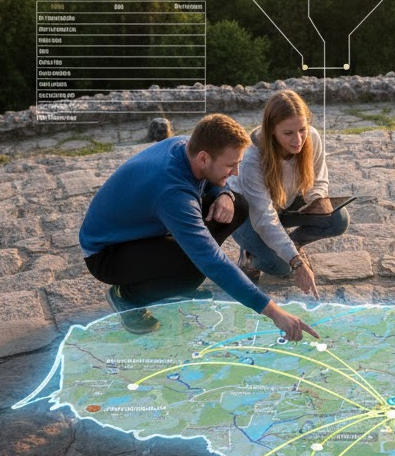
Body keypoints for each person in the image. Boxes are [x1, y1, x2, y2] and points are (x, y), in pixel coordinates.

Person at [79, 113, 318, 342]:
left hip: (143, 231)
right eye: (230, 165)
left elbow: (212, 184)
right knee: (194, 270)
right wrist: (276, 313)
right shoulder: (173, 193)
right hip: (108, 254)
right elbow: (213, 261)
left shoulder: (185, 146)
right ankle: (127, 297)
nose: (235, 172)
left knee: (238, 204)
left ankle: (170, 274)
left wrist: (224, 192)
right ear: (204, 158)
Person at [229, 91, 349, 298]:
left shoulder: (311, 137)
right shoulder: (251, 158)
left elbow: (318, 179)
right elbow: (264, 218)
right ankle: (250, 254)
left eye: (302, 129)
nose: (298, 139)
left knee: (337, 219)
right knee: (283, 268)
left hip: (283, 203)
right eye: (288, 133)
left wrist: (317, 202)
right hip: (247, 217)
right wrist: (296, 263)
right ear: (272, 131)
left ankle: (291, 245)